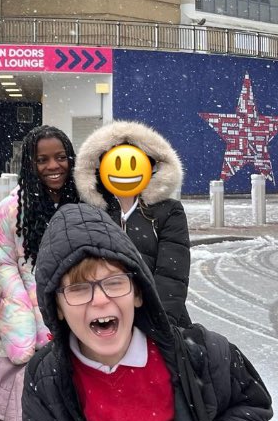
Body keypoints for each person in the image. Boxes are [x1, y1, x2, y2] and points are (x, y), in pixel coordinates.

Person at [21, 202, 274, 421]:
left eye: (114, 282)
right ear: (55, 306)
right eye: (79, 288)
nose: (100, 300)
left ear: (138, 292)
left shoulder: (199, 353)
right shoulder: (47, 380)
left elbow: (250, 402)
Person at [0, 124, 79, 421]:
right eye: (42, 159)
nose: (53, 166)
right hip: (35, 337)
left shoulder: (85, 203)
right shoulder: (11, 210)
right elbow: (6, 264)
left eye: (59, 156)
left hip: (82, 331)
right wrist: (29, 323)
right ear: (29, 164)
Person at [74, 120, 192, 326]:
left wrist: (159, 323)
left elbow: (172, 276)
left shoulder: (168, 211)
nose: (125, 171)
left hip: (161, 322)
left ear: (150, 165)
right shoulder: (90, 212)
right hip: (107, 322)